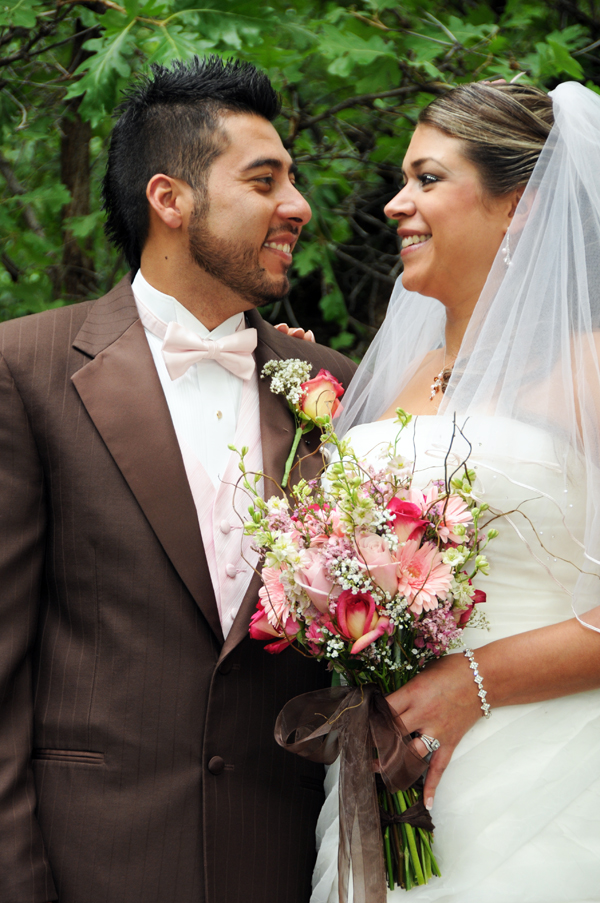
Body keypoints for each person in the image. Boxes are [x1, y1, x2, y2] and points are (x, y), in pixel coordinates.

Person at [0, 56, 356, 903]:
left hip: (283, 861)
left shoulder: (334, 386)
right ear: (170, 198)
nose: (297, 206)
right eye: (265, 181)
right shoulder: (25, 369)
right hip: (92, 866)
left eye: (293, 180)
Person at [310, 81, 600, 902]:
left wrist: (474, 679)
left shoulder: (586, 368)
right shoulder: (403, 375)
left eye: (428, 179)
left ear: (521, 208)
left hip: (546, 776)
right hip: (389, 777)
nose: (396, 204)